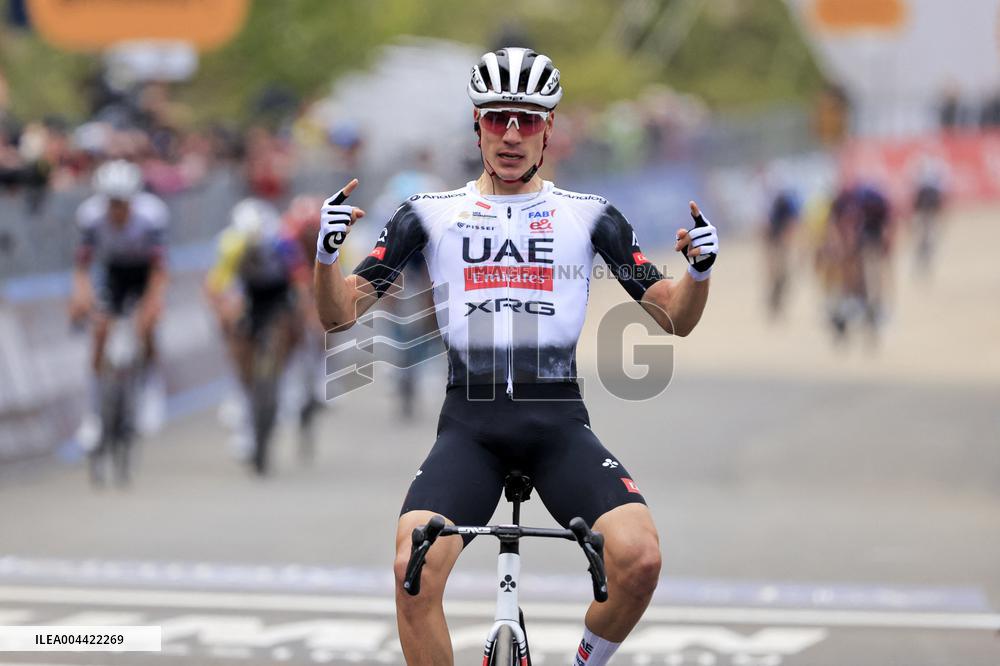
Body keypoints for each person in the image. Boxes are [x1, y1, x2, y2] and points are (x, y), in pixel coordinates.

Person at [313, 48, 718, 666]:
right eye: (498, 117)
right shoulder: (428, 213)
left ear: (548, 129)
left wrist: (699, 272)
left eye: (526, 120)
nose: (510, 133)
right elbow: (339, 313)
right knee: (410, 570)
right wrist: (324, 259)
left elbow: (673, 315)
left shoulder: (589, 216)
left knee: (641, 559)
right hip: (470, 432)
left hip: (558, 428)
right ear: (476, 123)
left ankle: (585, 661)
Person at [70, 159, 170, 449]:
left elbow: (160, 269)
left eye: (122, 203)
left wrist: (153, 302)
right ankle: (94, 415)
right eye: (111, 203)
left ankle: (151, 389)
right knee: (99, 333)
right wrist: (82, 296)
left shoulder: (152, 216)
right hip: (114, 273)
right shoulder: (89, 216)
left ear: (133, 200)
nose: (116, 210)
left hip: (144, 273)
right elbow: (82, 268)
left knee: (147, 328)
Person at [205, 197, 310, 469]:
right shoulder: (231, 245)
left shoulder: (282, 242)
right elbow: (217, 286)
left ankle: (285, 376)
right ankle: (244, 389)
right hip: (249, 294)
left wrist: (301, 312)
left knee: (295, 326)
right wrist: (225, 314)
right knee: (236, 333)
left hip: (278, 293)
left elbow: (300, 283)